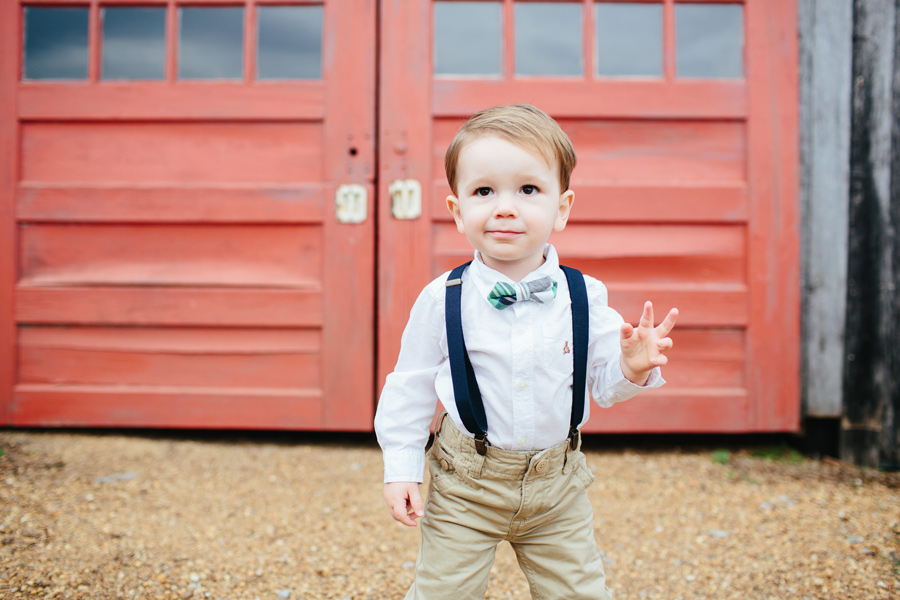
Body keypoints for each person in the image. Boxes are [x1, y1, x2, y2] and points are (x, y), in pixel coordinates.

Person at [374, 104, 678, 599]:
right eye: (484, 191)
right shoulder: (442, 298)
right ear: (457, 211)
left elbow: (602, 387)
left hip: (557, 487)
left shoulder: (586, 296)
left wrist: (631, 367)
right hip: (465, 484)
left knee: (580, 592)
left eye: (529, 190)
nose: (505, 207)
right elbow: (409, 386)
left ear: (562, 207)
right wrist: (400, 470)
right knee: (442, 592)